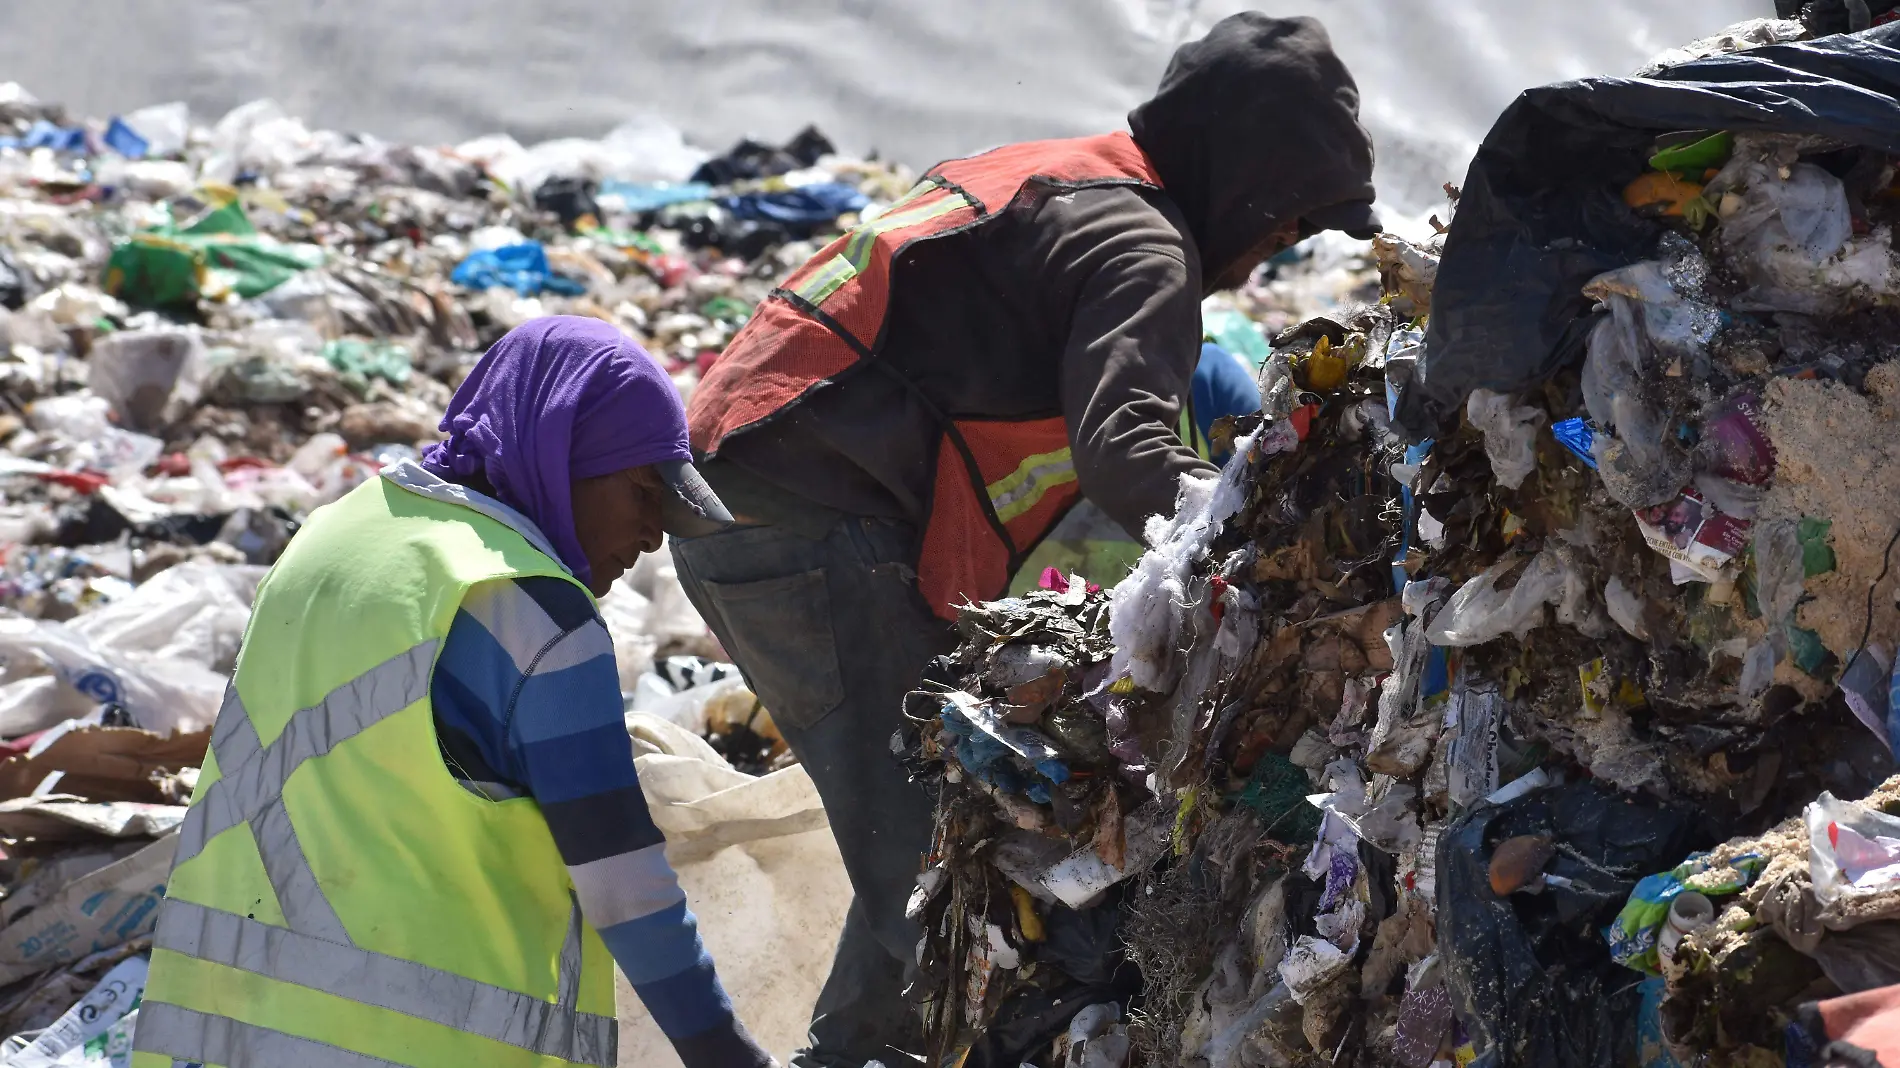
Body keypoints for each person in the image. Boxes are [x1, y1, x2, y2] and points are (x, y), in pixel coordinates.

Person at [676, 13, 1378, 1067]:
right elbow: (1125, 453)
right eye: (1283, 226)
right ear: (1249, 179)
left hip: (752, 474)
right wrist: (1270, 532)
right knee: (935, 857)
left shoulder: (1049, 170)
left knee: (929, 837)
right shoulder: (1146, 245)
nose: (1272, 251)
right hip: (802, 511)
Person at [133, 317, 773, 1068]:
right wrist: (727, 1056)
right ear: (563, 451)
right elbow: (624, 890)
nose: (653, 536)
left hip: (222, 1031)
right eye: (641, 493)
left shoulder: (331, 535)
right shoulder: (537, 616)